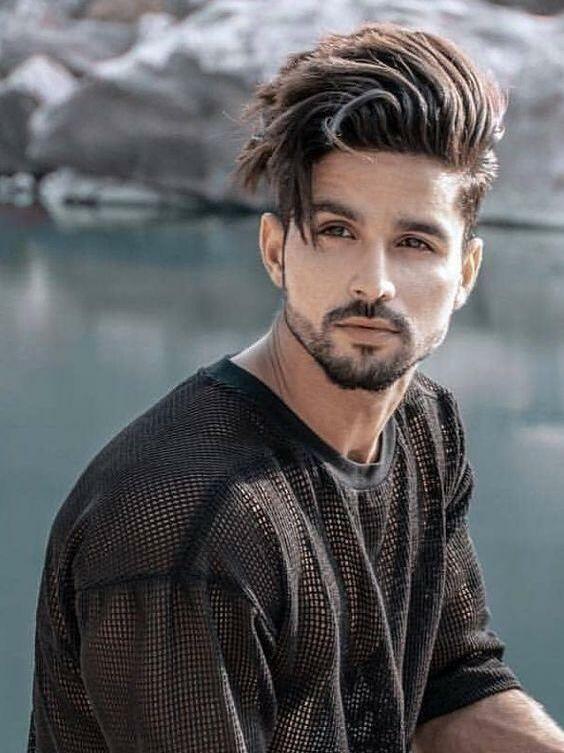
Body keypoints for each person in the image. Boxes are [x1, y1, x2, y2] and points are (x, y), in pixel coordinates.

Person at [27, 22, 564, 753]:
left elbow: (454, 689)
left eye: (414, 243)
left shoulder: (422, 426)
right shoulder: (186, 520)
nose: (374, 283)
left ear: (465, 272)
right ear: (277, 250)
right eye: (338, 231)